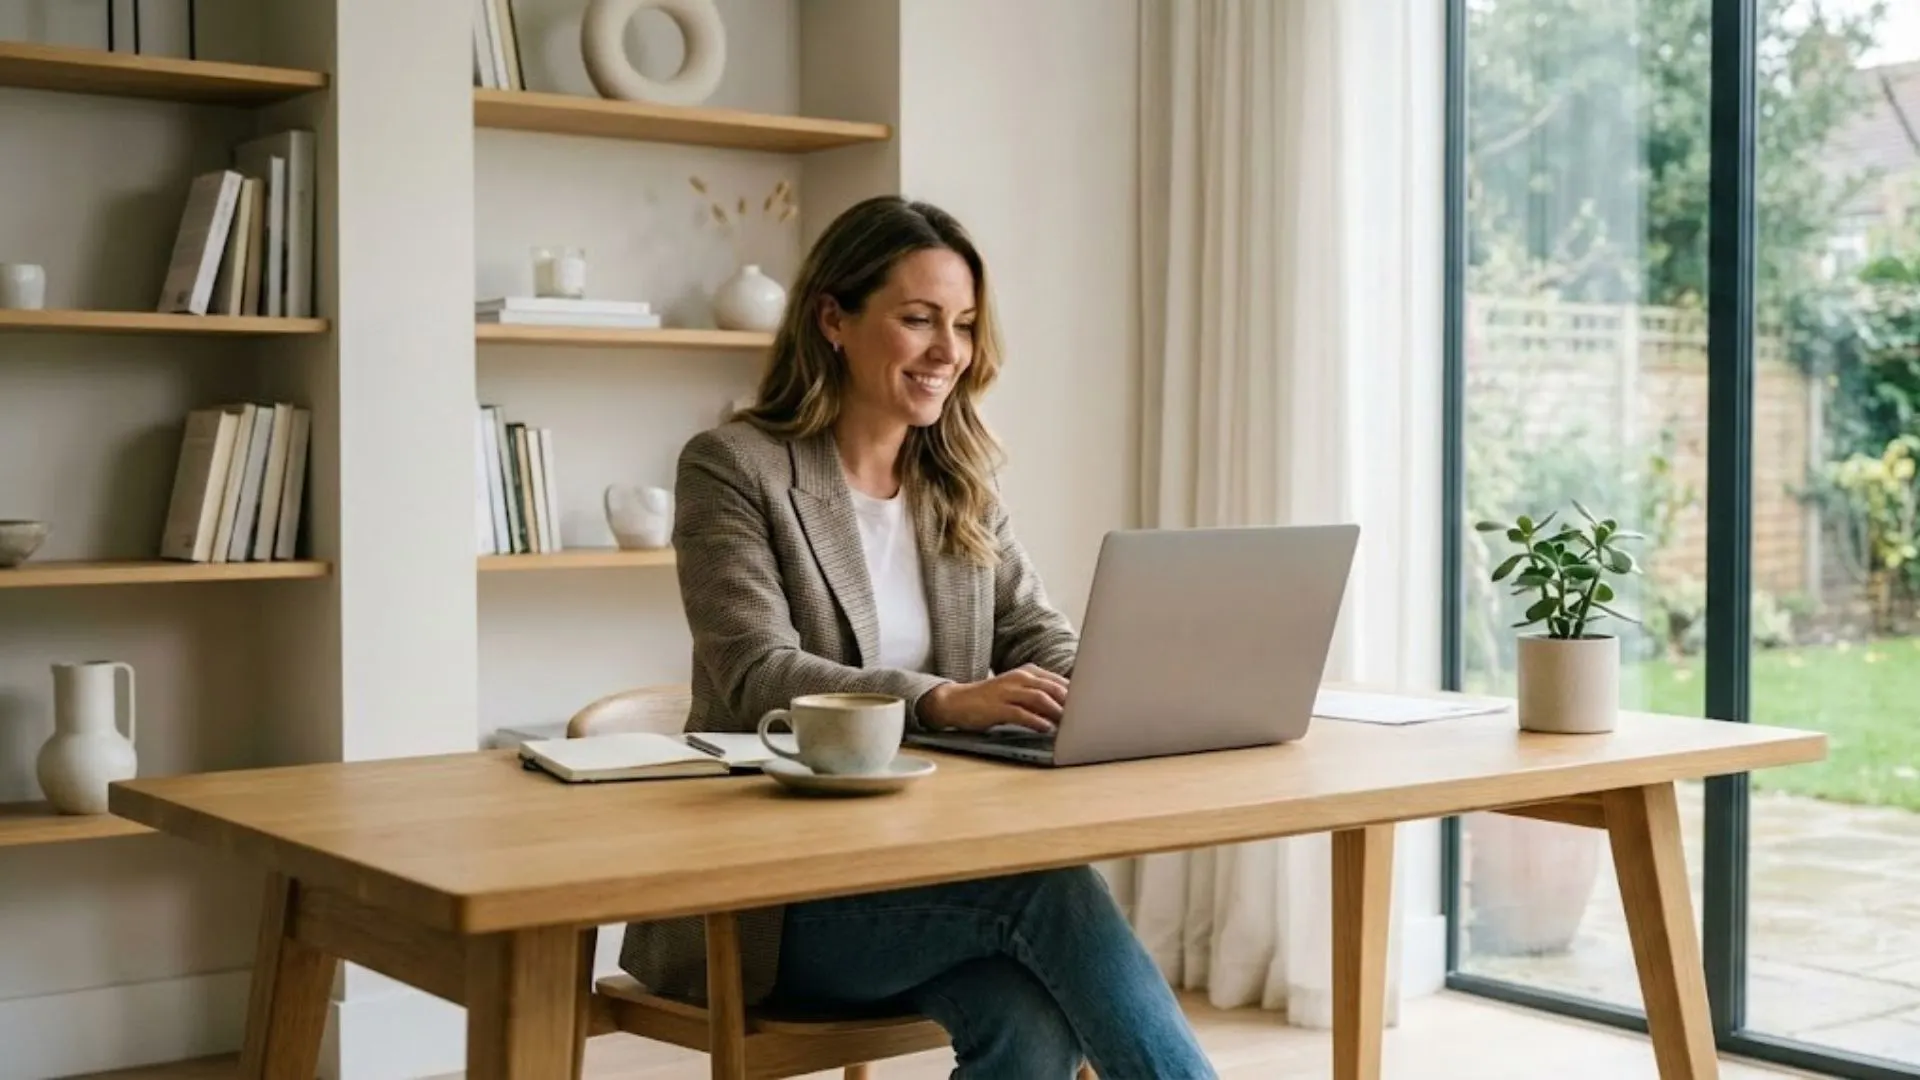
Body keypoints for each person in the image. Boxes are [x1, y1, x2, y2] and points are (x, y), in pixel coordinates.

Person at [617, 195, 1215, 1078]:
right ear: (833, 319)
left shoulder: (957, 481)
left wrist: (1114, 689)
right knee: (1047, 889)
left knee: (1026, 1021)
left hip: (931, 870)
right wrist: (942, 697)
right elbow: (755, 671)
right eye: (919, 319)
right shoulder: (733, 468)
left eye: (965, 325)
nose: (950, 352)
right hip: (773, 906)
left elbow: (1032, 630)